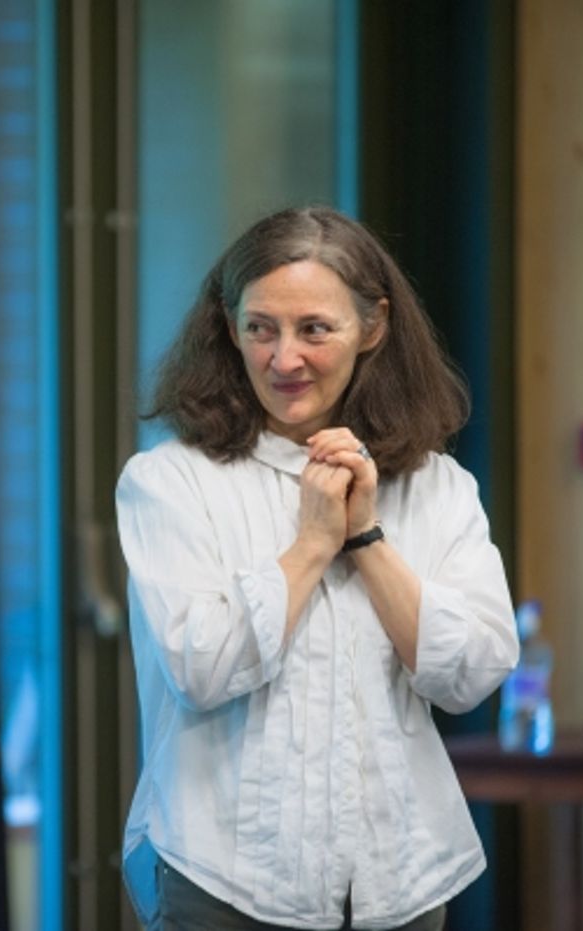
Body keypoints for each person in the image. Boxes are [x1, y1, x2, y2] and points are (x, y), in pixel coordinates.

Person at [117, 205, 519, 930]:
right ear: (228, 326)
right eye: (260, 327)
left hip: (399, 883)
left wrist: (364, 536)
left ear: (373, 326)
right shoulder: (169, 481)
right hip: (225, 880)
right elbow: (201, 667)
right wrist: (310, 545)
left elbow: (474, 673)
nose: (284, 358)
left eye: (314, 329)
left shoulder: (439, 487)